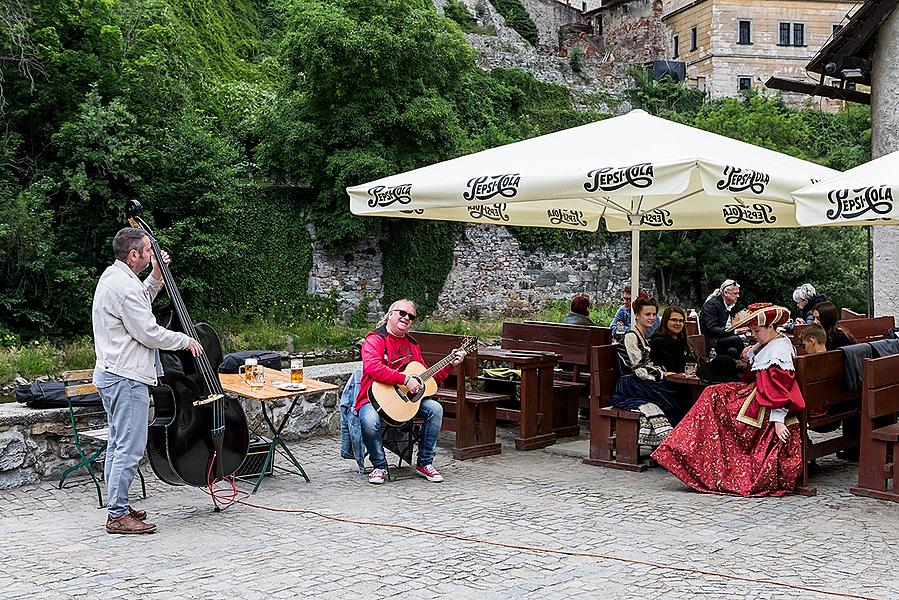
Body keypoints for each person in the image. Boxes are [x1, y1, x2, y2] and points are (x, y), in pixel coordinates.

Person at [92, 227, 203, 534]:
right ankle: (116, 514)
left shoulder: (114, 278)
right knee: (129, 447)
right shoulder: (124, 288)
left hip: (112, 374)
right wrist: (184, 340)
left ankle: (119, 504)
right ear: (133, 255)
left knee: (118, 444)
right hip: (125, 378)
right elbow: (148, 332)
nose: (151, 254)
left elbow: (141, 301)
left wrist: (156, 275)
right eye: (147, 252)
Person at [652, 303, 806, 497]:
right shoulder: (772, 342)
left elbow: (781, 388)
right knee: (712, 392)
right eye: (752, 330)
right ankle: (683, 451)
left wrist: (778, 419)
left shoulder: (777, 352)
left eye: (757, 330)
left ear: (771, 327)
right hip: (758, 396)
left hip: (766, 405)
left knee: (713, 400)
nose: (754, 335)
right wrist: (757, 347)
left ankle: (694, 458)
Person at [355, 299, 465, 485]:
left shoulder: (412, 344)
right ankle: (379, 466)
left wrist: (450, 365)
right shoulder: (375, 339)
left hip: (405, 402)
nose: (406, 318)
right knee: (369, 419)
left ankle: (425, 463)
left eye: (411, 316)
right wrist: (405, 379)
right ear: (390, 314)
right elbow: (373, 367)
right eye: (402, 313)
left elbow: (426, 379)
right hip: (371, 399)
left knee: (435, 409)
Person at [610, 297, 686, 446]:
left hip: (640, 383)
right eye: (647, 314)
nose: (651, 318)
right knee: (668, 397)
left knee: (677, 393)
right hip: (630, 384)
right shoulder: (631, 337)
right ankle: (672, 442)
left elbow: (648, 365)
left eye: (653, 314)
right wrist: (662, 374)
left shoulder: (643, 336)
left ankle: (679, 439)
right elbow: (638, 369)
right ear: (637, 315)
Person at [699, 279, 746, 359]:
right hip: (712, 341)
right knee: (736, 339)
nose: (738, 296)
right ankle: (745, 360)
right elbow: (712, 329)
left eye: (738, 293)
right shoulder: (712, 305)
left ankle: (738, 366)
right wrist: (734, 331)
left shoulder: (732, 305)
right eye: (735, 293)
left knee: (732, 351)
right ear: (725, 293)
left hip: (722, 339)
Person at [650, 306, 701, 374]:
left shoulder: (683, 341)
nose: (678, 323)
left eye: (681, 321)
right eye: (674, 320)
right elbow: (674, 368)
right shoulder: (659, 342)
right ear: (666, 321)